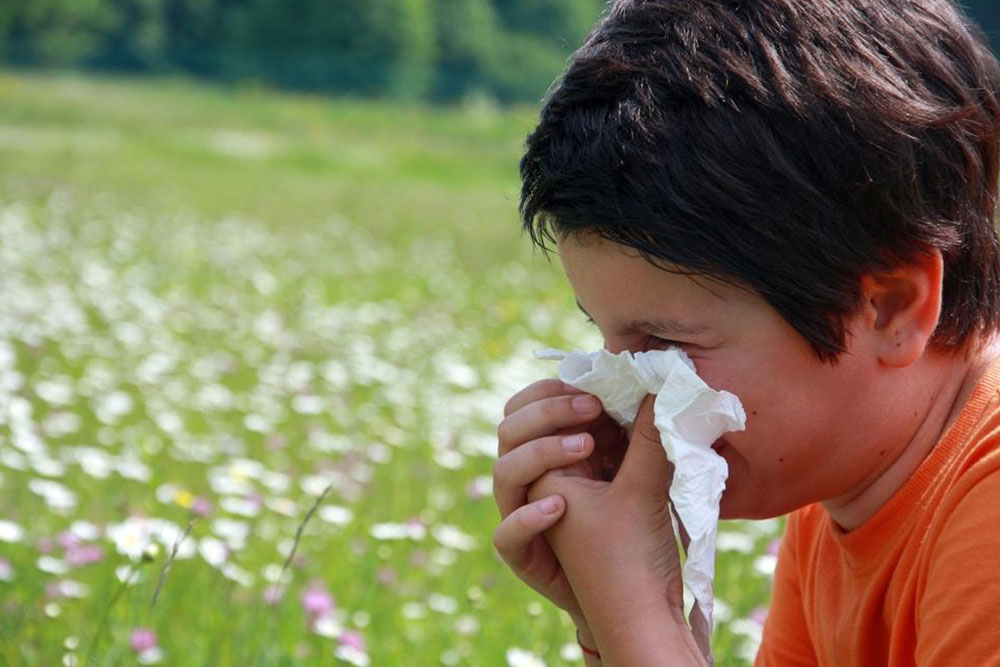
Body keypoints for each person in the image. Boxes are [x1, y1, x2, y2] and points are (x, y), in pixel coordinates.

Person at [491, 1, 1000, 665]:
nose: (627, 397)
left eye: (667, 346)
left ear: (893, 307)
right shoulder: (842, 488)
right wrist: (617, 622)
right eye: (606, 338)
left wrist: (635, 616)